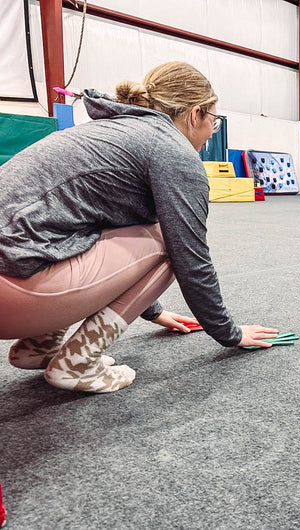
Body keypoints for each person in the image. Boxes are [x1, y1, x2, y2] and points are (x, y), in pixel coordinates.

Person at [0, 61, 278, 393]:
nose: (209, 133)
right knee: (166, 240)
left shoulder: (115, 132)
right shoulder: (173, 152)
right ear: (195, 115)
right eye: (213, 122)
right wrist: (229, 333)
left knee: (86, 231)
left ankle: (40, 347)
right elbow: (190, 257)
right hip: (13, 292)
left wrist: (154, 312)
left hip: (15, 282)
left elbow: (111, 240)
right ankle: (77, 365)